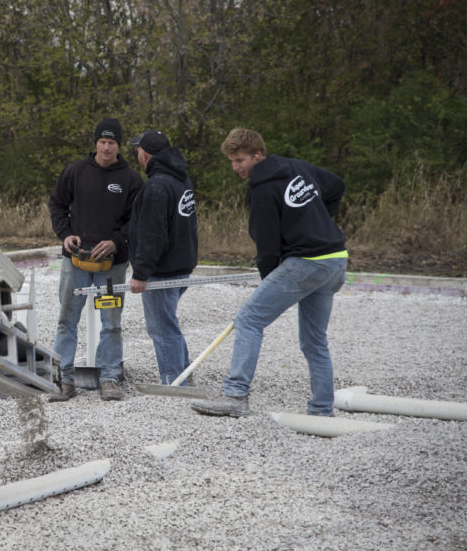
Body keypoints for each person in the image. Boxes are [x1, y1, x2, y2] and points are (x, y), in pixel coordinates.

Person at [191, 128, 348, 418]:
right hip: (336, 260)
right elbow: (336, 185)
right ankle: (322, 409)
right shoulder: (298, 167)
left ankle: (235, 395)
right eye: (232, 161)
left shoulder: (262, 190)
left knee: (249, 318)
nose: (236, 167)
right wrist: (319, 221)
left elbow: (266, 247)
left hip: (308, 262)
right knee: (314, 340)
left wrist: (271, 276)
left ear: (258, 155)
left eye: (240, 160)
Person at [48, 117, 142, 402]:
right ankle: (63, 378)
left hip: (111, 267)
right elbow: (57, 204)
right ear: (95, 143)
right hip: (75, 262)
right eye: (102, 141)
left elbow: (135, 221)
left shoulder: (131, 180)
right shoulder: (75, 172)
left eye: (111, 142)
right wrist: (65, 235)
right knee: (67, 320)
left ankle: (110, 377)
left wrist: (115, 241)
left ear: (118, 145)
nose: (106, 147)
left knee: (110, 321)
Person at [126, 130, 199, 385]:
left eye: (138, 151)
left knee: (161, 327)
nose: (137, 155)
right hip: (181, 266)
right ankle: (185, 375)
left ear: (145, 154)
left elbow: (152, 234)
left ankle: (173, 381)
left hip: (162, 270)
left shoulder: (157, 186)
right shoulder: (181, 179)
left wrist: (141, 273)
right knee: (169, 322)